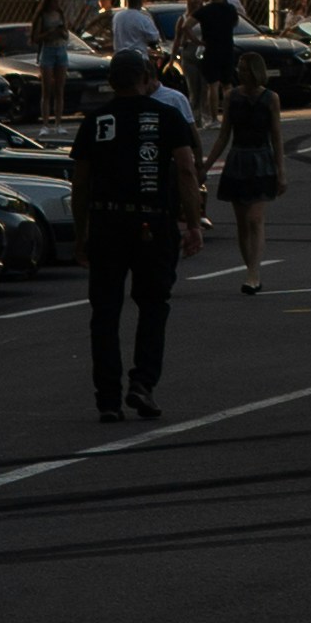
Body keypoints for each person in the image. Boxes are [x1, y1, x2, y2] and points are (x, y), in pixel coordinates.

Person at [73, 44, 204, 420]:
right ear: (146, 80)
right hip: (153, 222)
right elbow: (185, 170)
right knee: (152, 305)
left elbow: (80, 184)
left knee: (105, 312)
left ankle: (108, 399)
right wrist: (192, 223)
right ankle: (143, 382)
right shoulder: (166, 117)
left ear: (112, 82)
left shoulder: (95, 122)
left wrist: (81, 234)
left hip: (107, 222)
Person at [214, 50, 285, 292]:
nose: (240, 72)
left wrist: (280, 171)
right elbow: (224, 135)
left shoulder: (270, 98)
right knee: (242, 222)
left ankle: (253, 273)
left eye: (245, 69)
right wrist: (206, 164)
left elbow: (276, 136)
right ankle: (250, 270)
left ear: (255, 71)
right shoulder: (231, 97)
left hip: (261, 159)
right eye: (239, 68)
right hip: (238, 159)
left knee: (255, 218)